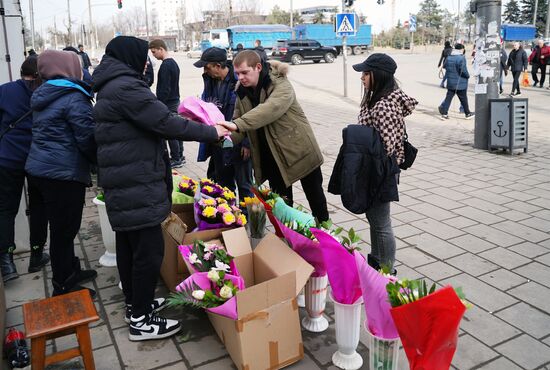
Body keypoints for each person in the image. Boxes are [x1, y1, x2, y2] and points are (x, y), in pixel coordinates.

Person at [92, 36, 228, 341]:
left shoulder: (111, 86)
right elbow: (167, 123)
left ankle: (135, 305)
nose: (146, 65)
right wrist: (211, 132)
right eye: (144, 59)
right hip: (136, 183)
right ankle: (141, 320)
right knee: (149, 253)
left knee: (130, 248)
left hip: (126, 181)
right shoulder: (126, 87)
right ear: (132, 58)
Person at [218, 50, 329, 222]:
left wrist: (237, 124)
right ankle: (291, 243)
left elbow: (270, 109)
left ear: (258, 67)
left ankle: (327, 239)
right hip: (272, 158)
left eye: (245, 72)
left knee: (317, 202)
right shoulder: (242, 92)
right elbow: (238, 125)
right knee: (283, 209)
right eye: (237, 73)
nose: (240, 77)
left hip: (300, 151)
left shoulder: (280, 83)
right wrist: (220, 136)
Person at [25, 50, 97, 297]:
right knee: (63, 230)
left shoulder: (44, 92)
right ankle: (64, 284)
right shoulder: (72, 97)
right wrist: (100, 163)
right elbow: (87, 137)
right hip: (62, 174)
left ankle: (70, 269)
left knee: (61, 229)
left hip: (40, 169)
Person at [347, 53, 417, 271]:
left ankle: (387, 271)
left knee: (381, 221)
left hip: (380, 169)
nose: (362, 78)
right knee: (375, 219)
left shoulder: (384, 106)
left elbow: (385, 147)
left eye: (366, 74)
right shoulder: (377, 99)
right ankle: (377, 260)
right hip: (377, 167)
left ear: (378, 75)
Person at [0, 56, 50, 283]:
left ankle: (7, 263)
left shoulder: (5, 91)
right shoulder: (47, 92)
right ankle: (37, 255)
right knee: (39, 206)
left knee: (6, 210)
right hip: (37, 160)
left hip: (7, 159)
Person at [194, 48, 254, 199]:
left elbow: (250, 114)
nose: (205, 71)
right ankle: (231, 218)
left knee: (244, 184)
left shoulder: (239, 81)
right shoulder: (210, 82)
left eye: (207, 67)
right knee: (224, 184)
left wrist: (247, 143)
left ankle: (249, 218)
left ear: (218, 66)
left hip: (238, 141)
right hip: (219, 141)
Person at [149, 39, 185, 168]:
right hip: (175, 100)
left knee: (171, 131)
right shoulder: (174, 63)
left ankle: (176, 158)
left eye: (154, 52)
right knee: (178, 128)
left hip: (168, 103)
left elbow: (165, 89)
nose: (153, 55)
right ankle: (181, 155)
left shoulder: (165, 66)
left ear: (160, 49)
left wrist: (160, 104)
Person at [438, 43, 474, 120]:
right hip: (460, 83)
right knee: (463, 99)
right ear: (461, 49)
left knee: (448, 98)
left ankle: (444, 114)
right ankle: (467, 113)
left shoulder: (449, 57)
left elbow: (444, 66)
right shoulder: (461, 58)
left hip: (451, 82)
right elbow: (463, 70)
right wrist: (467, 76)